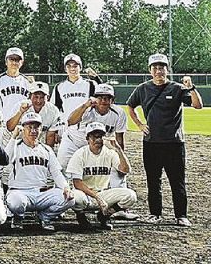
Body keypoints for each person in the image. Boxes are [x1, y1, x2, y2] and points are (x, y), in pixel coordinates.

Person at [126, 53, 203, 227]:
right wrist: (139, 124)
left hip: (174, 143)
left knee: (177, 181)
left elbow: (198, 105)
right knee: (153, 181)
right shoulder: (143, 88)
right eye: (155, 68)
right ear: (150, 70)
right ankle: (155, 214)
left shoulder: (176, 88)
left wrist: (191, 88)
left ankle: (181, 215)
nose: (159, 71)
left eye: (162, 68)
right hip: (151, 142)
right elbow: (130, 106)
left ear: (167, 70)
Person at [5, 112, 74, 231]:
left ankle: (45, 217)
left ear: (41, 129)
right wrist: (13, 137)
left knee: (70, 199)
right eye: (29, 127)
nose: (33, 130)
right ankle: (18, 217)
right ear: (23, 128)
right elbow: (4, 159)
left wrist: (66, 188)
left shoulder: (46, 149)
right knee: (17, 202)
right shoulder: (15, 146)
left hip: (41, 194)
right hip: (20, 192)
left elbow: (56, 173)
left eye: (36, 127)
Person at [67, 122, 137, 230]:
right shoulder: (80, 154)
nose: (98, 140)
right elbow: (77, 183)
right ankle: (81, 216)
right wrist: (97, 198)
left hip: (103, 193)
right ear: (87, 138)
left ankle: (105, 215)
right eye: (94, 137)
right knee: (76, 197)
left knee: (131, 196)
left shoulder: (110, 153)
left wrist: (118, 149)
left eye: (100, 136)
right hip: (85, 194)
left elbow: (125, 170)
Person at [0, 47, 33, 148]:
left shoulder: (27, 81)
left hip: (24, 124)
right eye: (11, 59)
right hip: (5, 125)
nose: (14, 62)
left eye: (17, 59)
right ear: (6, 62)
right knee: (5, 158)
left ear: (21, 62)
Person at [4, 81, 61, 147]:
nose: (38, 101)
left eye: (42, 97)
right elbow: (10, 127)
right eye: (36, 97)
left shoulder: (53, 110)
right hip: (16, 143)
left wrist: (46, 153)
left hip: (38, 145)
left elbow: (50, 137)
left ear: (47, 98)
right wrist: (20, 112)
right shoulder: (20, 105)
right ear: (30, 96)